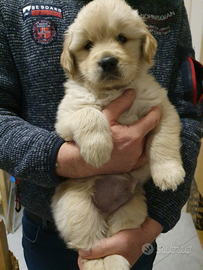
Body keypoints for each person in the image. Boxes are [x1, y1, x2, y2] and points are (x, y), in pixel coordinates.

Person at [0, 0, 202, 270]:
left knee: (129, 219)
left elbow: (184, 112)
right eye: (87, 46)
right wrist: (71, 154)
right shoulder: (78, 94)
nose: (107, 57)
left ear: (145, 45)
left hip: (135, 213)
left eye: (121, 38)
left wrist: (163, 164)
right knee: (80, 215)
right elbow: (63, 123)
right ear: (70, 59)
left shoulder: (169, 8)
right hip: (57, 217)